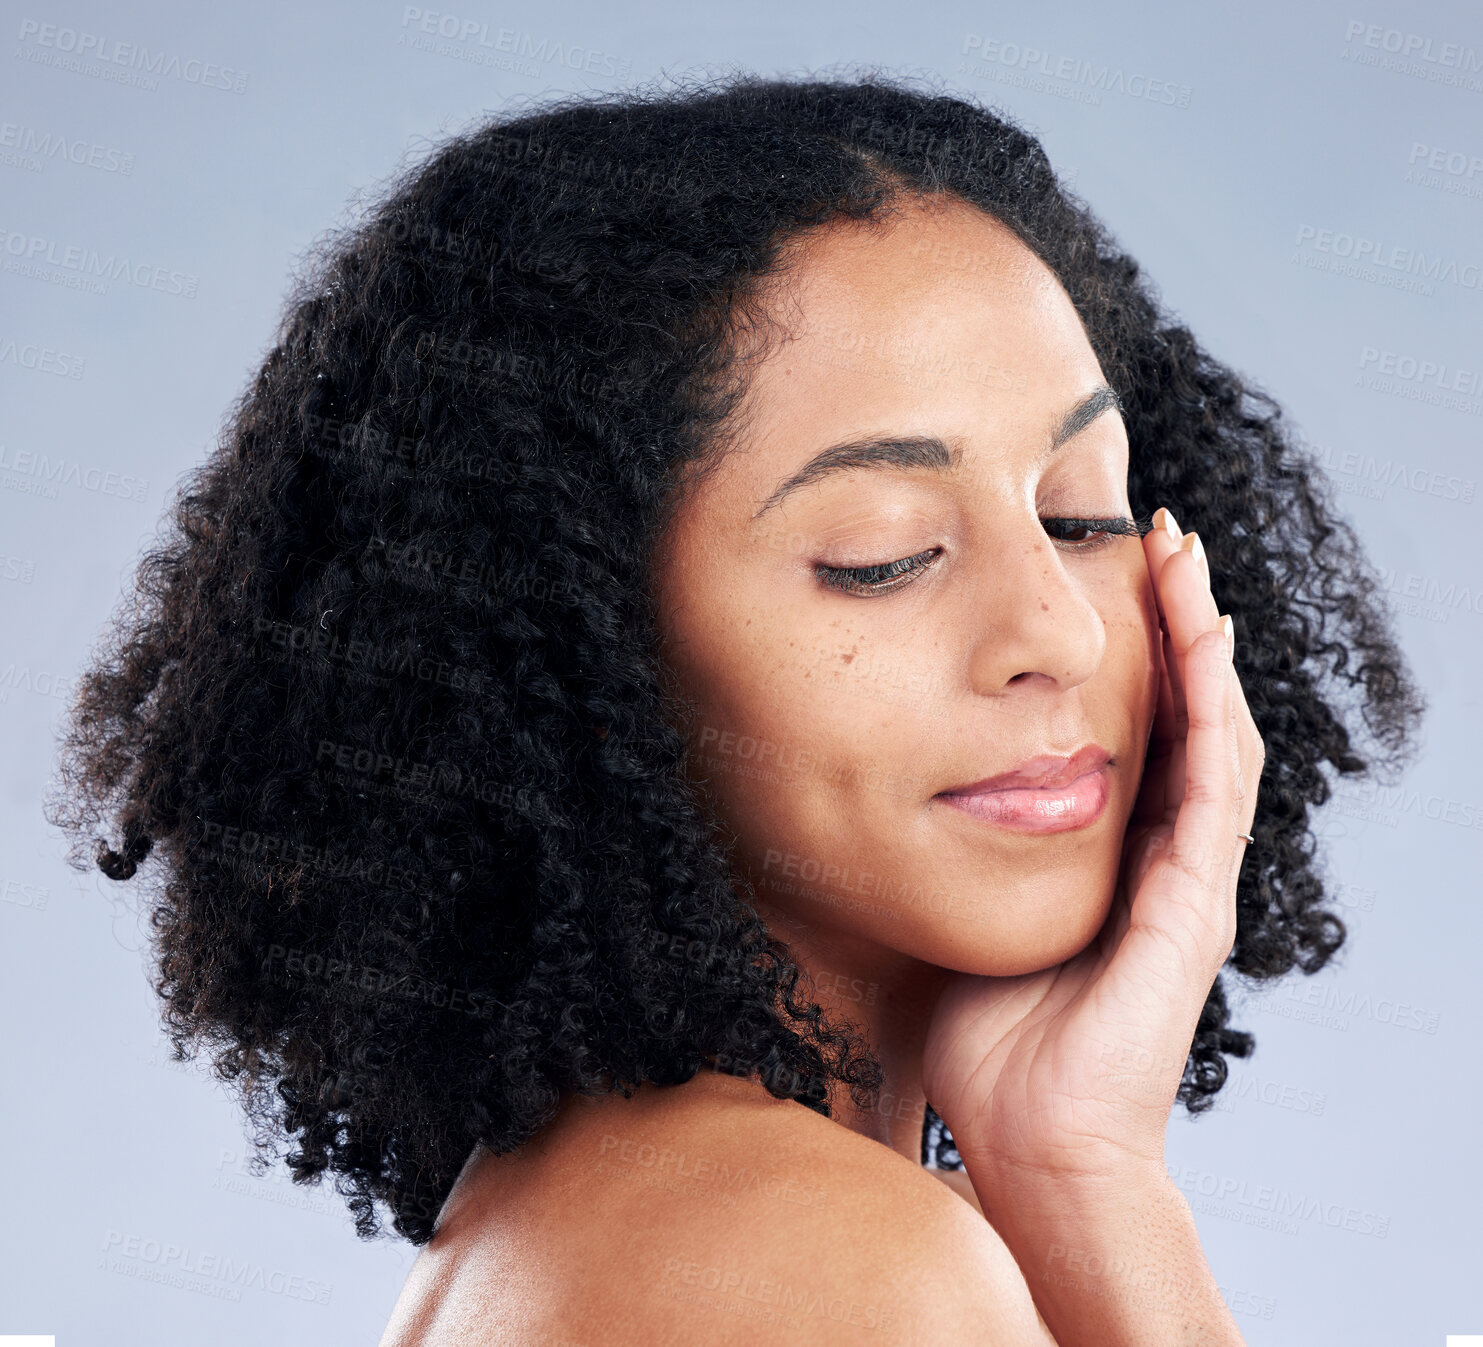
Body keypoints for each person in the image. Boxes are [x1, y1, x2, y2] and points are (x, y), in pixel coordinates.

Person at [47, 71, 1425, 1344]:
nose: (1056, 631)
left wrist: (1083, 1166)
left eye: (1081, 516)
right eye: (881, 555)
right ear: (582, 653)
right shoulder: (823, 1261)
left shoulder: (611, 1216)